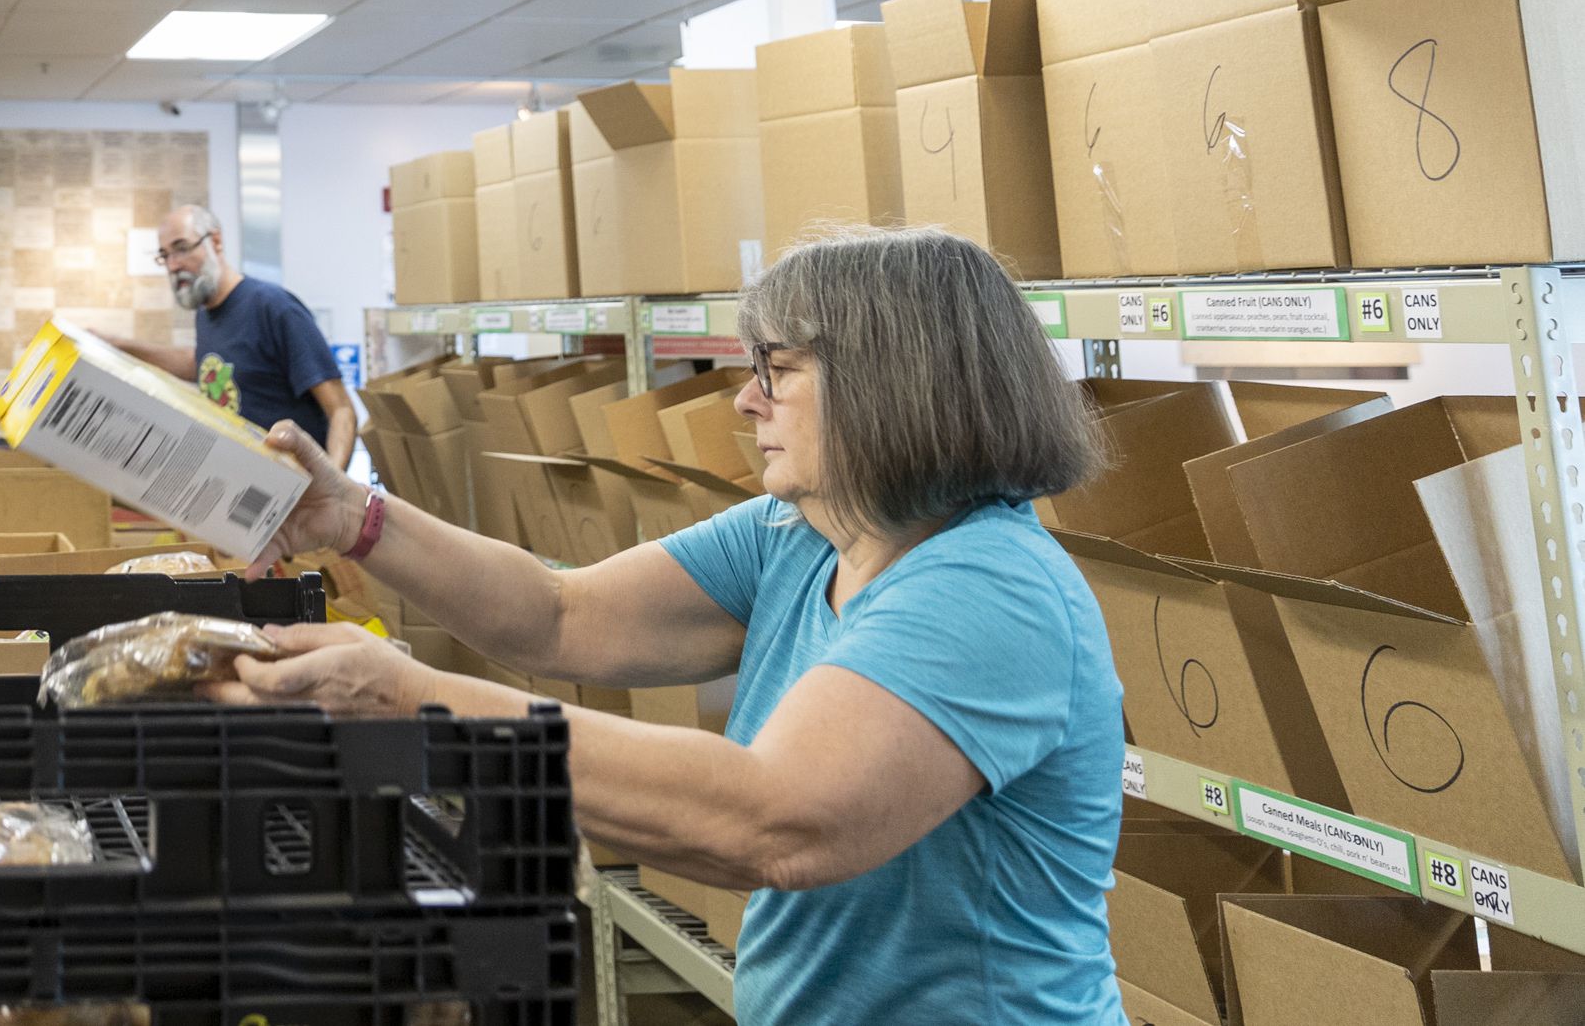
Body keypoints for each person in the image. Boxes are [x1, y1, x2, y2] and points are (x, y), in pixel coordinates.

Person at [211, 227, 1121, 1026]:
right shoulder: (803, 532)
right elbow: (560, 615)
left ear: (893, 384)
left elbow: (776, 819)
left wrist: (412, 704)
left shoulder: (989, 583)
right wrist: (356, 520)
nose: (745, 399)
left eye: (780, 369)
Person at [86, 204, 356, 465]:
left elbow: (341, 410)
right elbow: (201, 363)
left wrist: (334, 491)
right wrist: (116, 345)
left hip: (301, 493)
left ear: (215, 241)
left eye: (181, 248)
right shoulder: (206, 314)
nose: (173, 265)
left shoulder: (273, 307)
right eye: (164, 256)